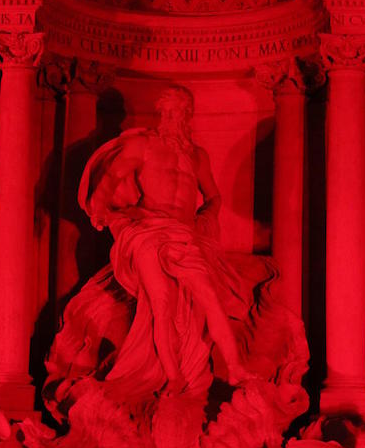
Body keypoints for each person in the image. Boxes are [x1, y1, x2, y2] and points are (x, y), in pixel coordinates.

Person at [78, 85, 254, 395]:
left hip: (184, 233)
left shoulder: (197, 156)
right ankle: (173, 376)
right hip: (148, 229)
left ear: (188, 115)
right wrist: (100, 208)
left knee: (210, 297)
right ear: (161, 114)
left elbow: (213, 196)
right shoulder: (143, 145)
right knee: (161, 304)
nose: (175, 117)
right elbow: (110, 180)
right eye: (170, 112)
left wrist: (205, 218)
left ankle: (237, 368)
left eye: (181, 111)